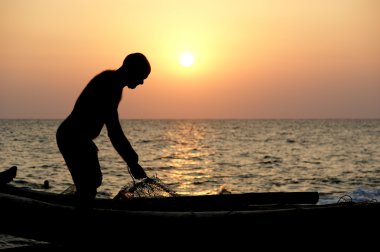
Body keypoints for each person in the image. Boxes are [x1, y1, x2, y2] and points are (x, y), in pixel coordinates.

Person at [56, 53, 150, 205]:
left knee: (92, 183)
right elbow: (114, 131)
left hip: (79, 138)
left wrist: (132, 160)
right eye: (142, 77)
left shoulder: (114, 84)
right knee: (89, 185)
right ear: (131, 70)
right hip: (72, 137)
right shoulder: (110, 84)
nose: (142, 82)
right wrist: (132, 161)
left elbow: (114, 130)